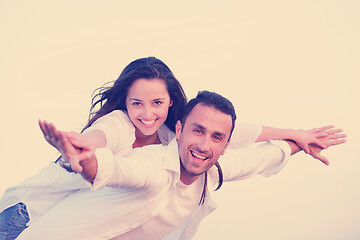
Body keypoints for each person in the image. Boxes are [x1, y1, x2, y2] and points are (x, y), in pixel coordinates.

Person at [0, 56, 331, 239]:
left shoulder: (175, 140)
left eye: (157, 103)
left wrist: (296, 136)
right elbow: (104, 141)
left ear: (171, 102)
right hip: (25, 213)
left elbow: (237, 133)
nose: (147, 114)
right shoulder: (121, 126)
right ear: (125, 103)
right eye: (136, 104)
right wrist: (82, 148)